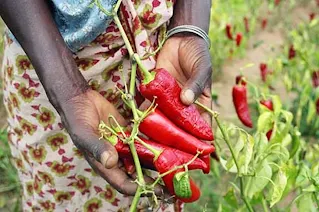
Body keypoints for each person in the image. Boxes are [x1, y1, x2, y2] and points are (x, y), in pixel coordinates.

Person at [0, 0, 212, 211]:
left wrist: (188, 25)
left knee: (159, 187)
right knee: (65, 192)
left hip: (161, 47)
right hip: (51, 60)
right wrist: (68, 92)